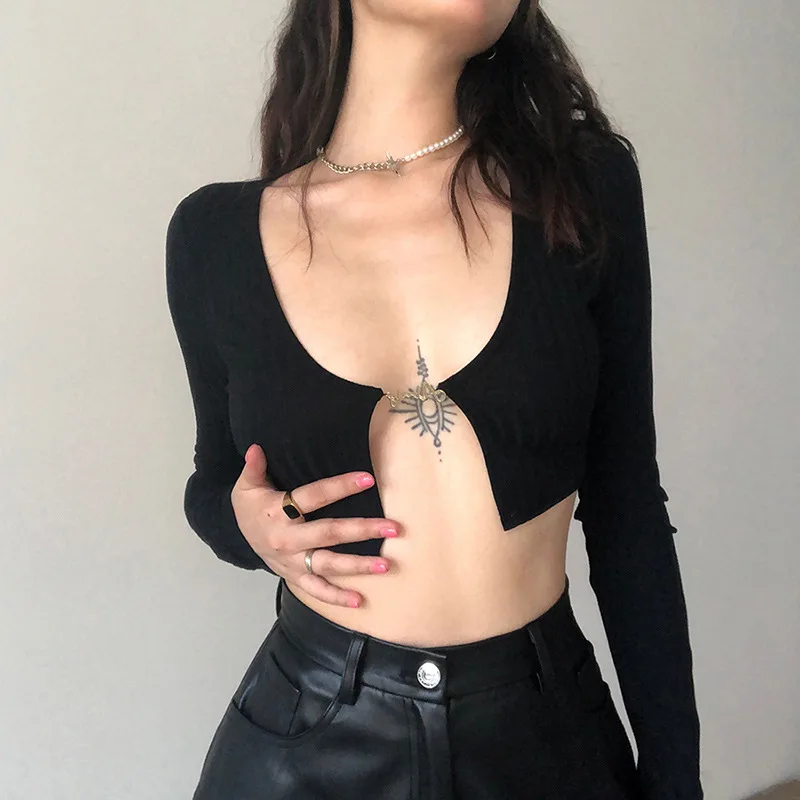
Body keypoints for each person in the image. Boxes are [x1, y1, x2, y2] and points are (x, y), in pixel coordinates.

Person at [165, 1, 702, 798]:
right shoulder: (215, 235)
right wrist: (248, 526)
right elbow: (215, 484)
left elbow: (627, 505)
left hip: (544, 736)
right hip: (308, 744)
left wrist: (676, 781)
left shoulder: (579, 185)